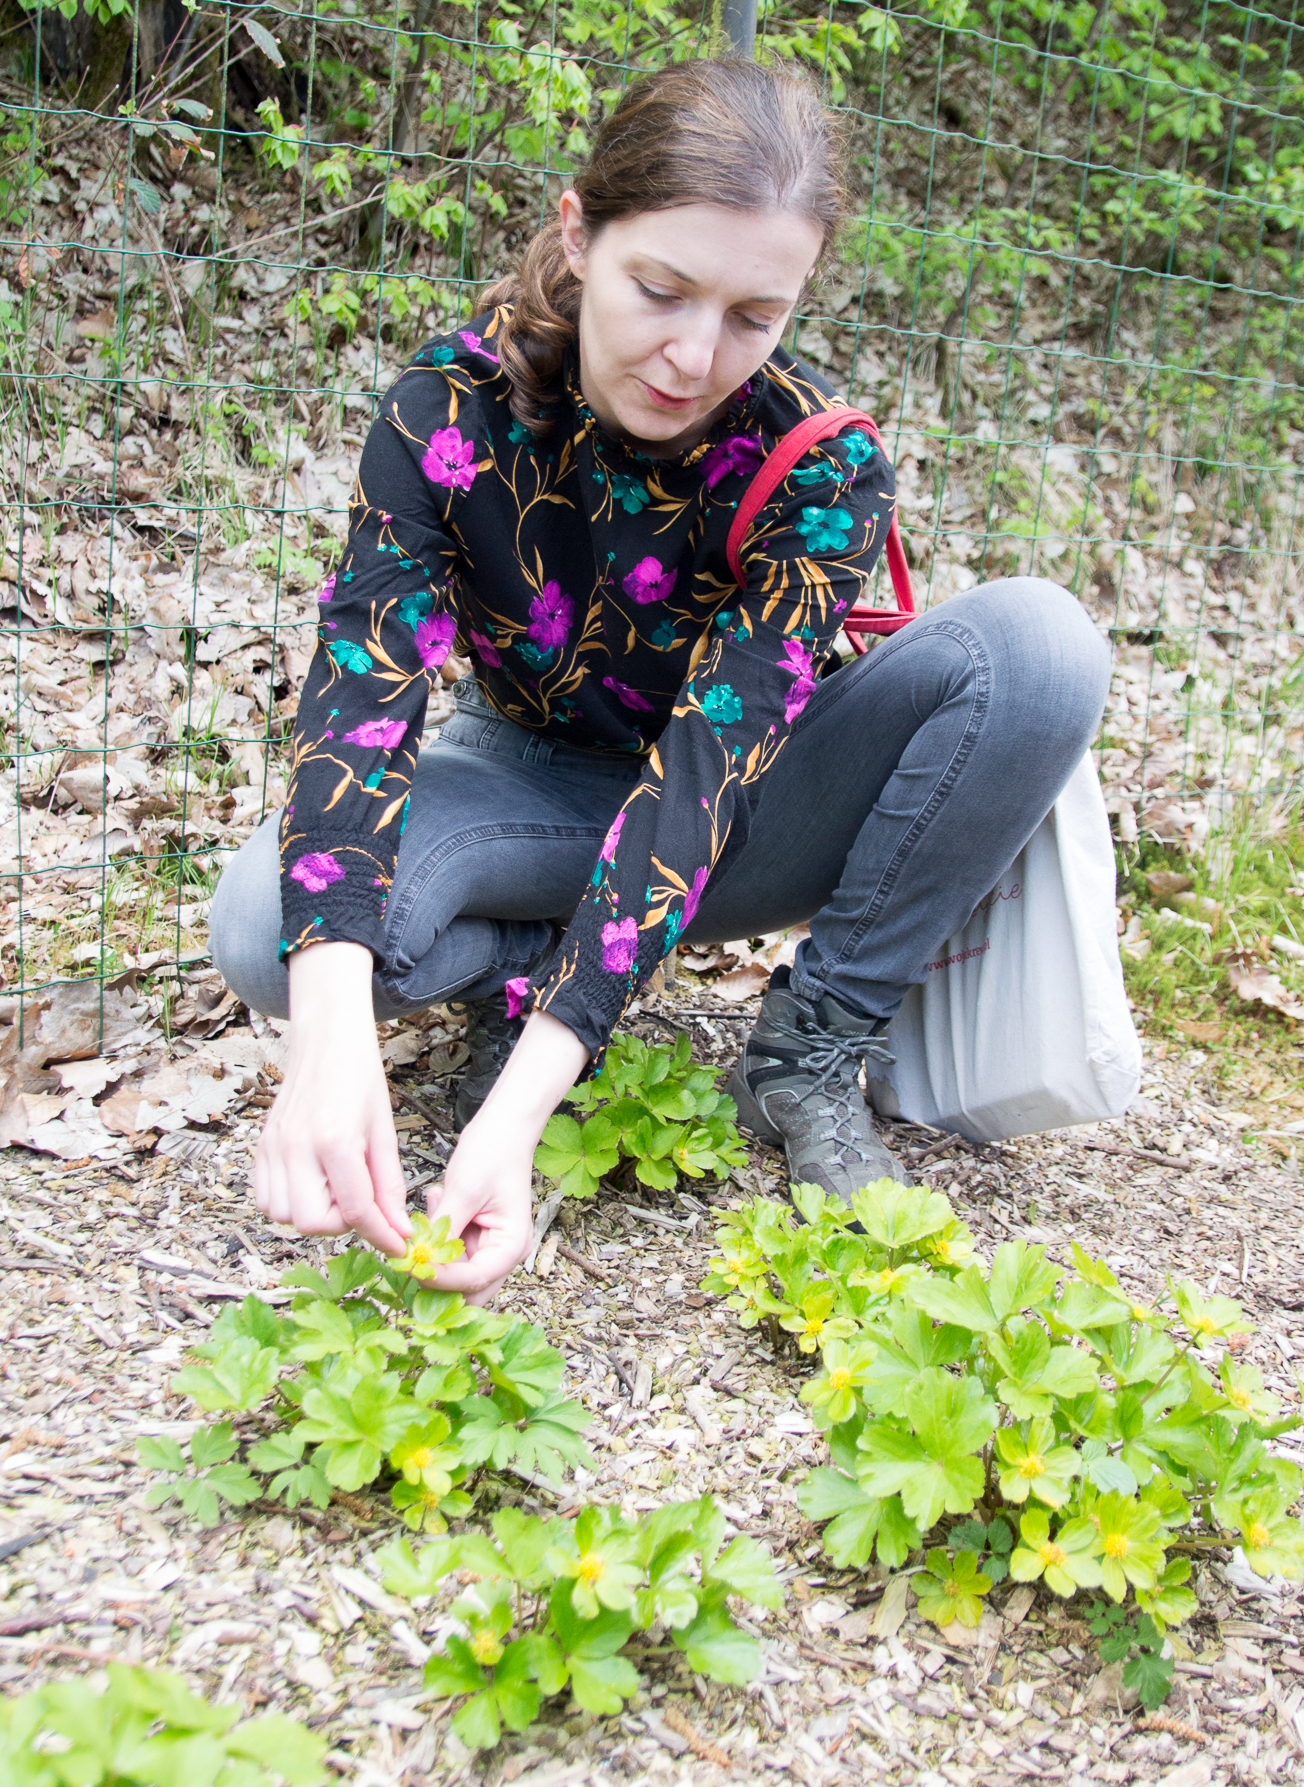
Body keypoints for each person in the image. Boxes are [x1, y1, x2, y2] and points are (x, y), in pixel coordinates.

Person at [210, 54, 1110, 1307]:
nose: (694, 356)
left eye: (753, 314)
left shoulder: (815, 467)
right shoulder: (446, 410)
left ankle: (811, 1047)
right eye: (660, 288)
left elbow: (702, 777)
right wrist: (326, 1037)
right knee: (272, 931)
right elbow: (364, 692)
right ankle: (525, 968)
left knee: (1041, 643)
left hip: (742, 809)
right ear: (580, 235)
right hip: (528, 785)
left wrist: (522, 1109)